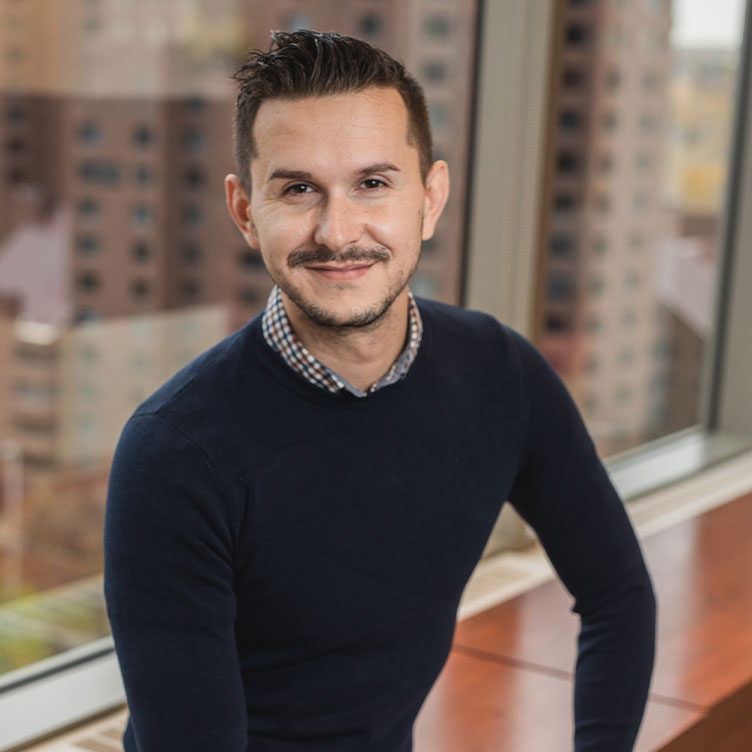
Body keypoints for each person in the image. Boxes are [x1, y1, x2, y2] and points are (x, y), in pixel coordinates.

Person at [104, 29, 656, 752]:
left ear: (429, 198)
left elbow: (618, 597)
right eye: (298, 189)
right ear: (245, 213)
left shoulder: (501, 373)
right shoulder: (174, 453)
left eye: (373, 183)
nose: (337, 232)